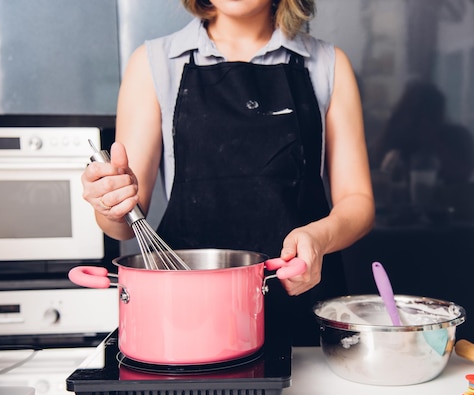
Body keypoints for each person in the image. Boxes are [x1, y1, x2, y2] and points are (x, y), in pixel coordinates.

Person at [81, 0, 375, 345]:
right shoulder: (153, 63)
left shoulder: (327, 63)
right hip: (189, 311)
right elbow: (124, 226)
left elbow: (358, 202)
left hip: (300, 293)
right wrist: (109, 202)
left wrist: (320, 238)